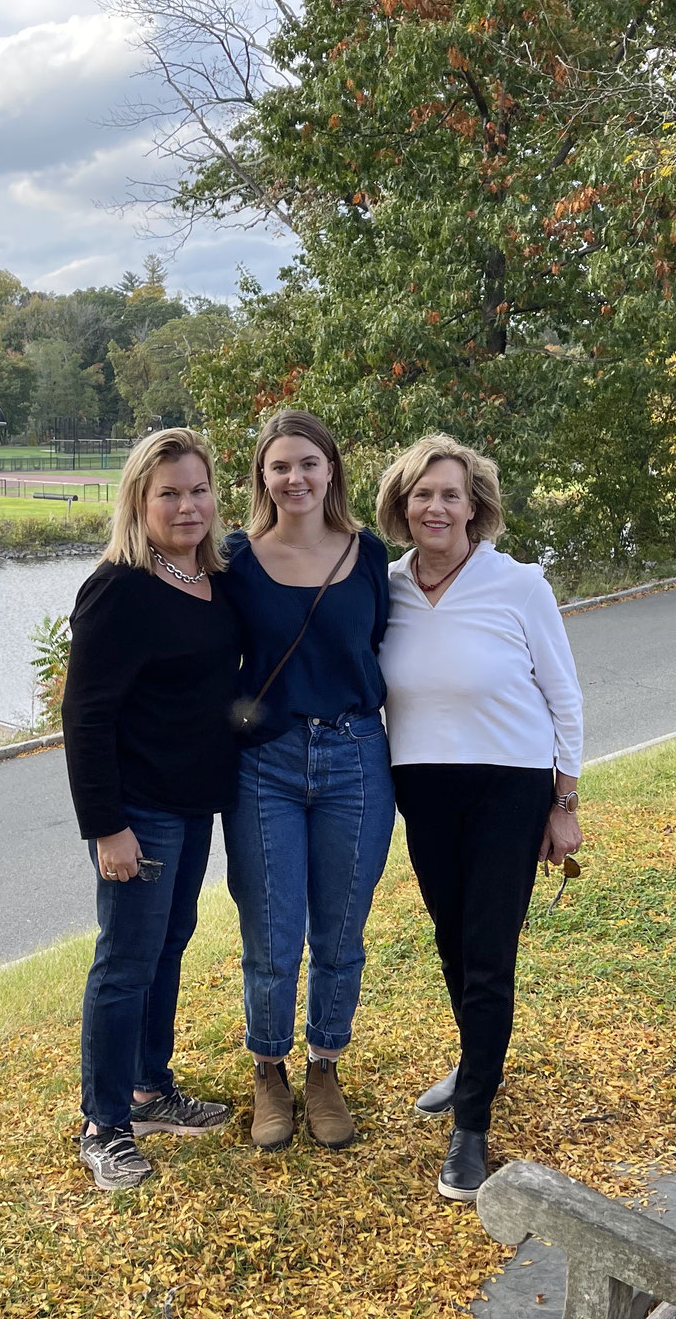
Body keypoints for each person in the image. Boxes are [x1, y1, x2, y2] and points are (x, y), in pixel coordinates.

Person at [374, 434, 584, 1201]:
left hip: (511, 785)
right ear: (403, 505)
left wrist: (565, 805)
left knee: (489, 951)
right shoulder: (385, 585)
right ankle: (476, 1060)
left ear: (476, 507)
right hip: (422, 786)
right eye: (422, 494)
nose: (436, 506)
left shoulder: (519, 584)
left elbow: (564, 696)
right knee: (453, 943)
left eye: (451, 494)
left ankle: (472, 1126)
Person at [63, 428, 240, 1191]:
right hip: (138, 809)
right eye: (168, 492)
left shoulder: (214, 578)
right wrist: (107, 826)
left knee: (168, 945)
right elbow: (86, 716)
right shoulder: (119, 588)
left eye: (197, 489)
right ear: (140, 500)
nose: (187, 504)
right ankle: (103, 1124)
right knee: (125, 962)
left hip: (193, 804)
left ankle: (148, 1090)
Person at [220, 409, 393, 1152]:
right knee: (272, 934)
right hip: (267, 765)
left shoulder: (370, 553)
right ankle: (269, 1071)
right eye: (280, 466)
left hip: (356, 757)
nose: (295, 478)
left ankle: (325, 1065)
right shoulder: (235, 560)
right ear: (262, 476)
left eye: (309, 464)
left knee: (341, 931)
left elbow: (380, 643)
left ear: (332, 472)